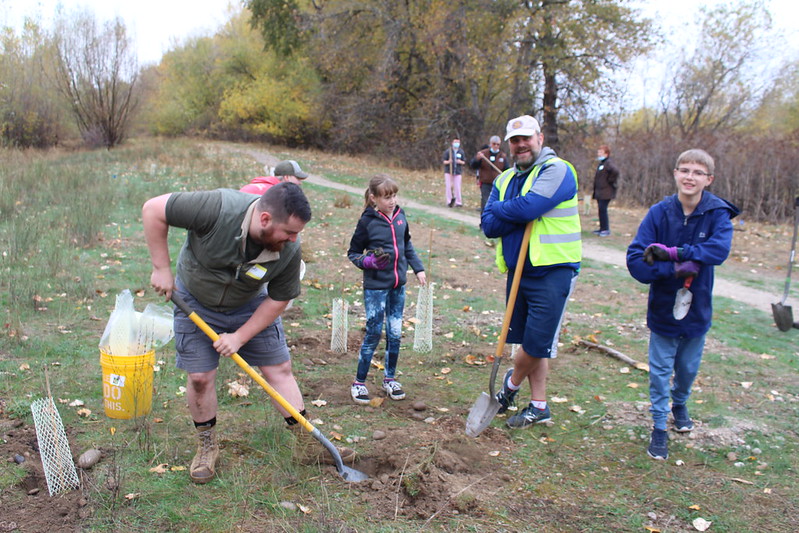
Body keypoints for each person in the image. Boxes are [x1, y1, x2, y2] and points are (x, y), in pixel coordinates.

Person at [142, 182, 354, 484]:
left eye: (297, 233)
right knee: (200, 378)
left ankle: (307, 444)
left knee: (279, 369)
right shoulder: (217, 208)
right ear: (265, 219)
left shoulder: (290, 249)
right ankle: (207, 445)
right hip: (195, 300)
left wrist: (240, 337)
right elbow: (153, 210)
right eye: (289, 232)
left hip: (249, 303)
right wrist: (160, 268)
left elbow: (279, 298)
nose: (295, 239)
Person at [627, 149, 738, 460]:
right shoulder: (659, 213)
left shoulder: (717, 213)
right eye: (684, 170)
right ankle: (659, 426)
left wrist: (674, 253)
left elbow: (717, 251)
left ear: (709, 179)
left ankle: (680, 402)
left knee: (687, 368)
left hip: (697, 306)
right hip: (663, 305)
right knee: (660, 370)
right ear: (675, 173)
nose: (690, 177)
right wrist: (672, 270)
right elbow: (637, 262)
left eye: (698, 172)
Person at [482, 115, 581, 429]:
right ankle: (539, 406)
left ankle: (509, 387)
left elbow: (527, 209)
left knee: (537, 344)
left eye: (526, 138)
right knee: (527, 340)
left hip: (553, 270)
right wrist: (516, 208)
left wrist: (509, 208)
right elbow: (489, 225)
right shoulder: (504, 179)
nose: (520, 145)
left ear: (540, 137)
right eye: (515, 140)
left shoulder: (557, 170)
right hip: (518, 270)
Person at [347, 175, 427, 404]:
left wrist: (418, 269)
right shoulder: (367, 222)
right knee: (374, 332)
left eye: (394, 196)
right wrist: (368, 262)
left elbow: (407, 244)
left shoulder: (400, 217)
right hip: (375, 288)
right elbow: (353, 253)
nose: (392, 201)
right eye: (386, 197)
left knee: (394, 333)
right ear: (374, 198)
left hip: (397, 286)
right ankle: (359, 383)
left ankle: (389, 378)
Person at [470, 135, 509, 215]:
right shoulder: (483, 154)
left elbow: (507, 170)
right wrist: (477, 159)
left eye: (498, 144)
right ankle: (484, 223)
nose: (496, 146)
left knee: (496, 203)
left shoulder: (503, 156)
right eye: (494, 144)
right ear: (490, 144)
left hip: (498, 184)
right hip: (485, 183)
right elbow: (473, 166)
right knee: (485, 202)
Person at [592, 145, 620, 236]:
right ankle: (602, 228)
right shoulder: (602, 163)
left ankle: (605, 229)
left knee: (603, 209)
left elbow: (615, 171)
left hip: (606, 192)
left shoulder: (608, 163)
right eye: (598, 152)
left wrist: (610, 181)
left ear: (606, 154)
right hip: (600, 192)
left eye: (601, 152)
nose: (598, 154)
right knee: (601, 210)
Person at [240, 160, 309, 195]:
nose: (300, 183)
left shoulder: (263, 185)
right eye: (298, 178)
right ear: (287, 177)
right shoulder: (277, 193)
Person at [442, 138, 466, 208]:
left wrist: (460, 162)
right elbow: (444, 161)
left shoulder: (461, 152)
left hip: (458, 172)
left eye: (458, 142)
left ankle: (458, 202)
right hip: (449, 172)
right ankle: (449, 201)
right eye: (455, 142)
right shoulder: (448, 151)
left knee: (457, 187)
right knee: (449, 186)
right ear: (452, 143)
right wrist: (449, 162)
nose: (457, 143)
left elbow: (464, 161)